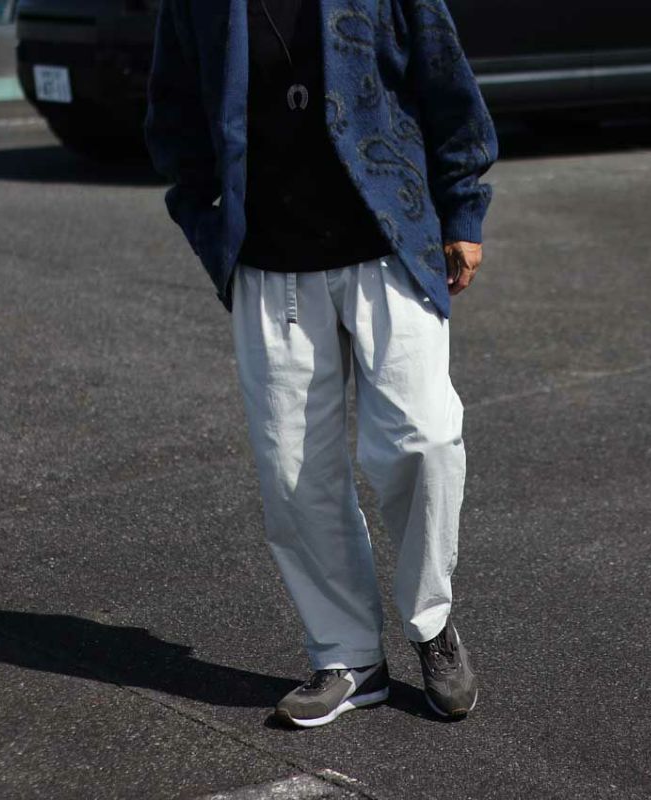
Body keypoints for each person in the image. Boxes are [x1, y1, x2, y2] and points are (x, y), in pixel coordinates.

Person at [144, 0, 498, 728]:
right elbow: (173, 113)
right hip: (270, 266)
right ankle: (347, 656)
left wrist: (462, 209)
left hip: (388, 245)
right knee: (294, 472)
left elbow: (445, 78)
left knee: (425, 440)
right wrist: (211, 231)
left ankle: (432, 624)